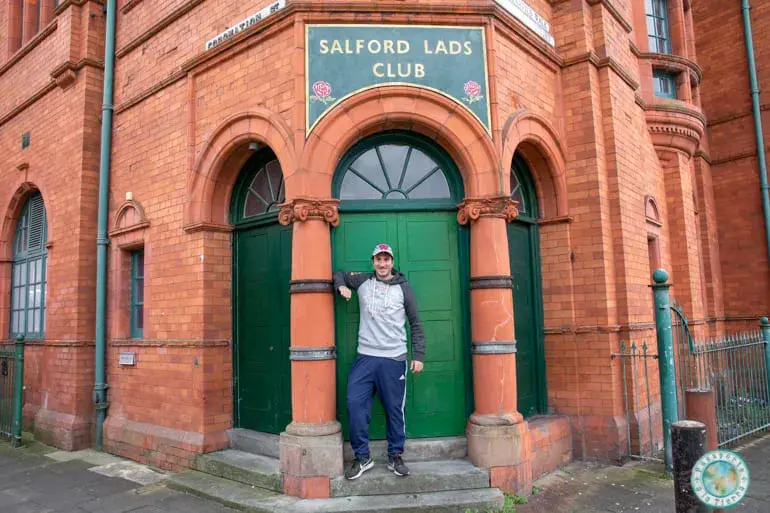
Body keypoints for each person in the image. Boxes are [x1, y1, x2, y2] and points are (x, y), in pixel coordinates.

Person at [332, 243, 425, 480]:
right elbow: (339, 274)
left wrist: (419, 355)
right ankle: (363, 458)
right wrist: (342, 286)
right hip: (366, 357)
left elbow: (415, 323)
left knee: (395, 410)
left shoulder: (404, 288)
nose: (382, 264)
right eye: (378, 259)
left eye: (386, 259)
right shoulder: (363, 281)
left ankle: (395, 456)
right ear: (372, 262)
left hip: (394, 359)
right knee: (354, 404)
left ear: (392, 262)